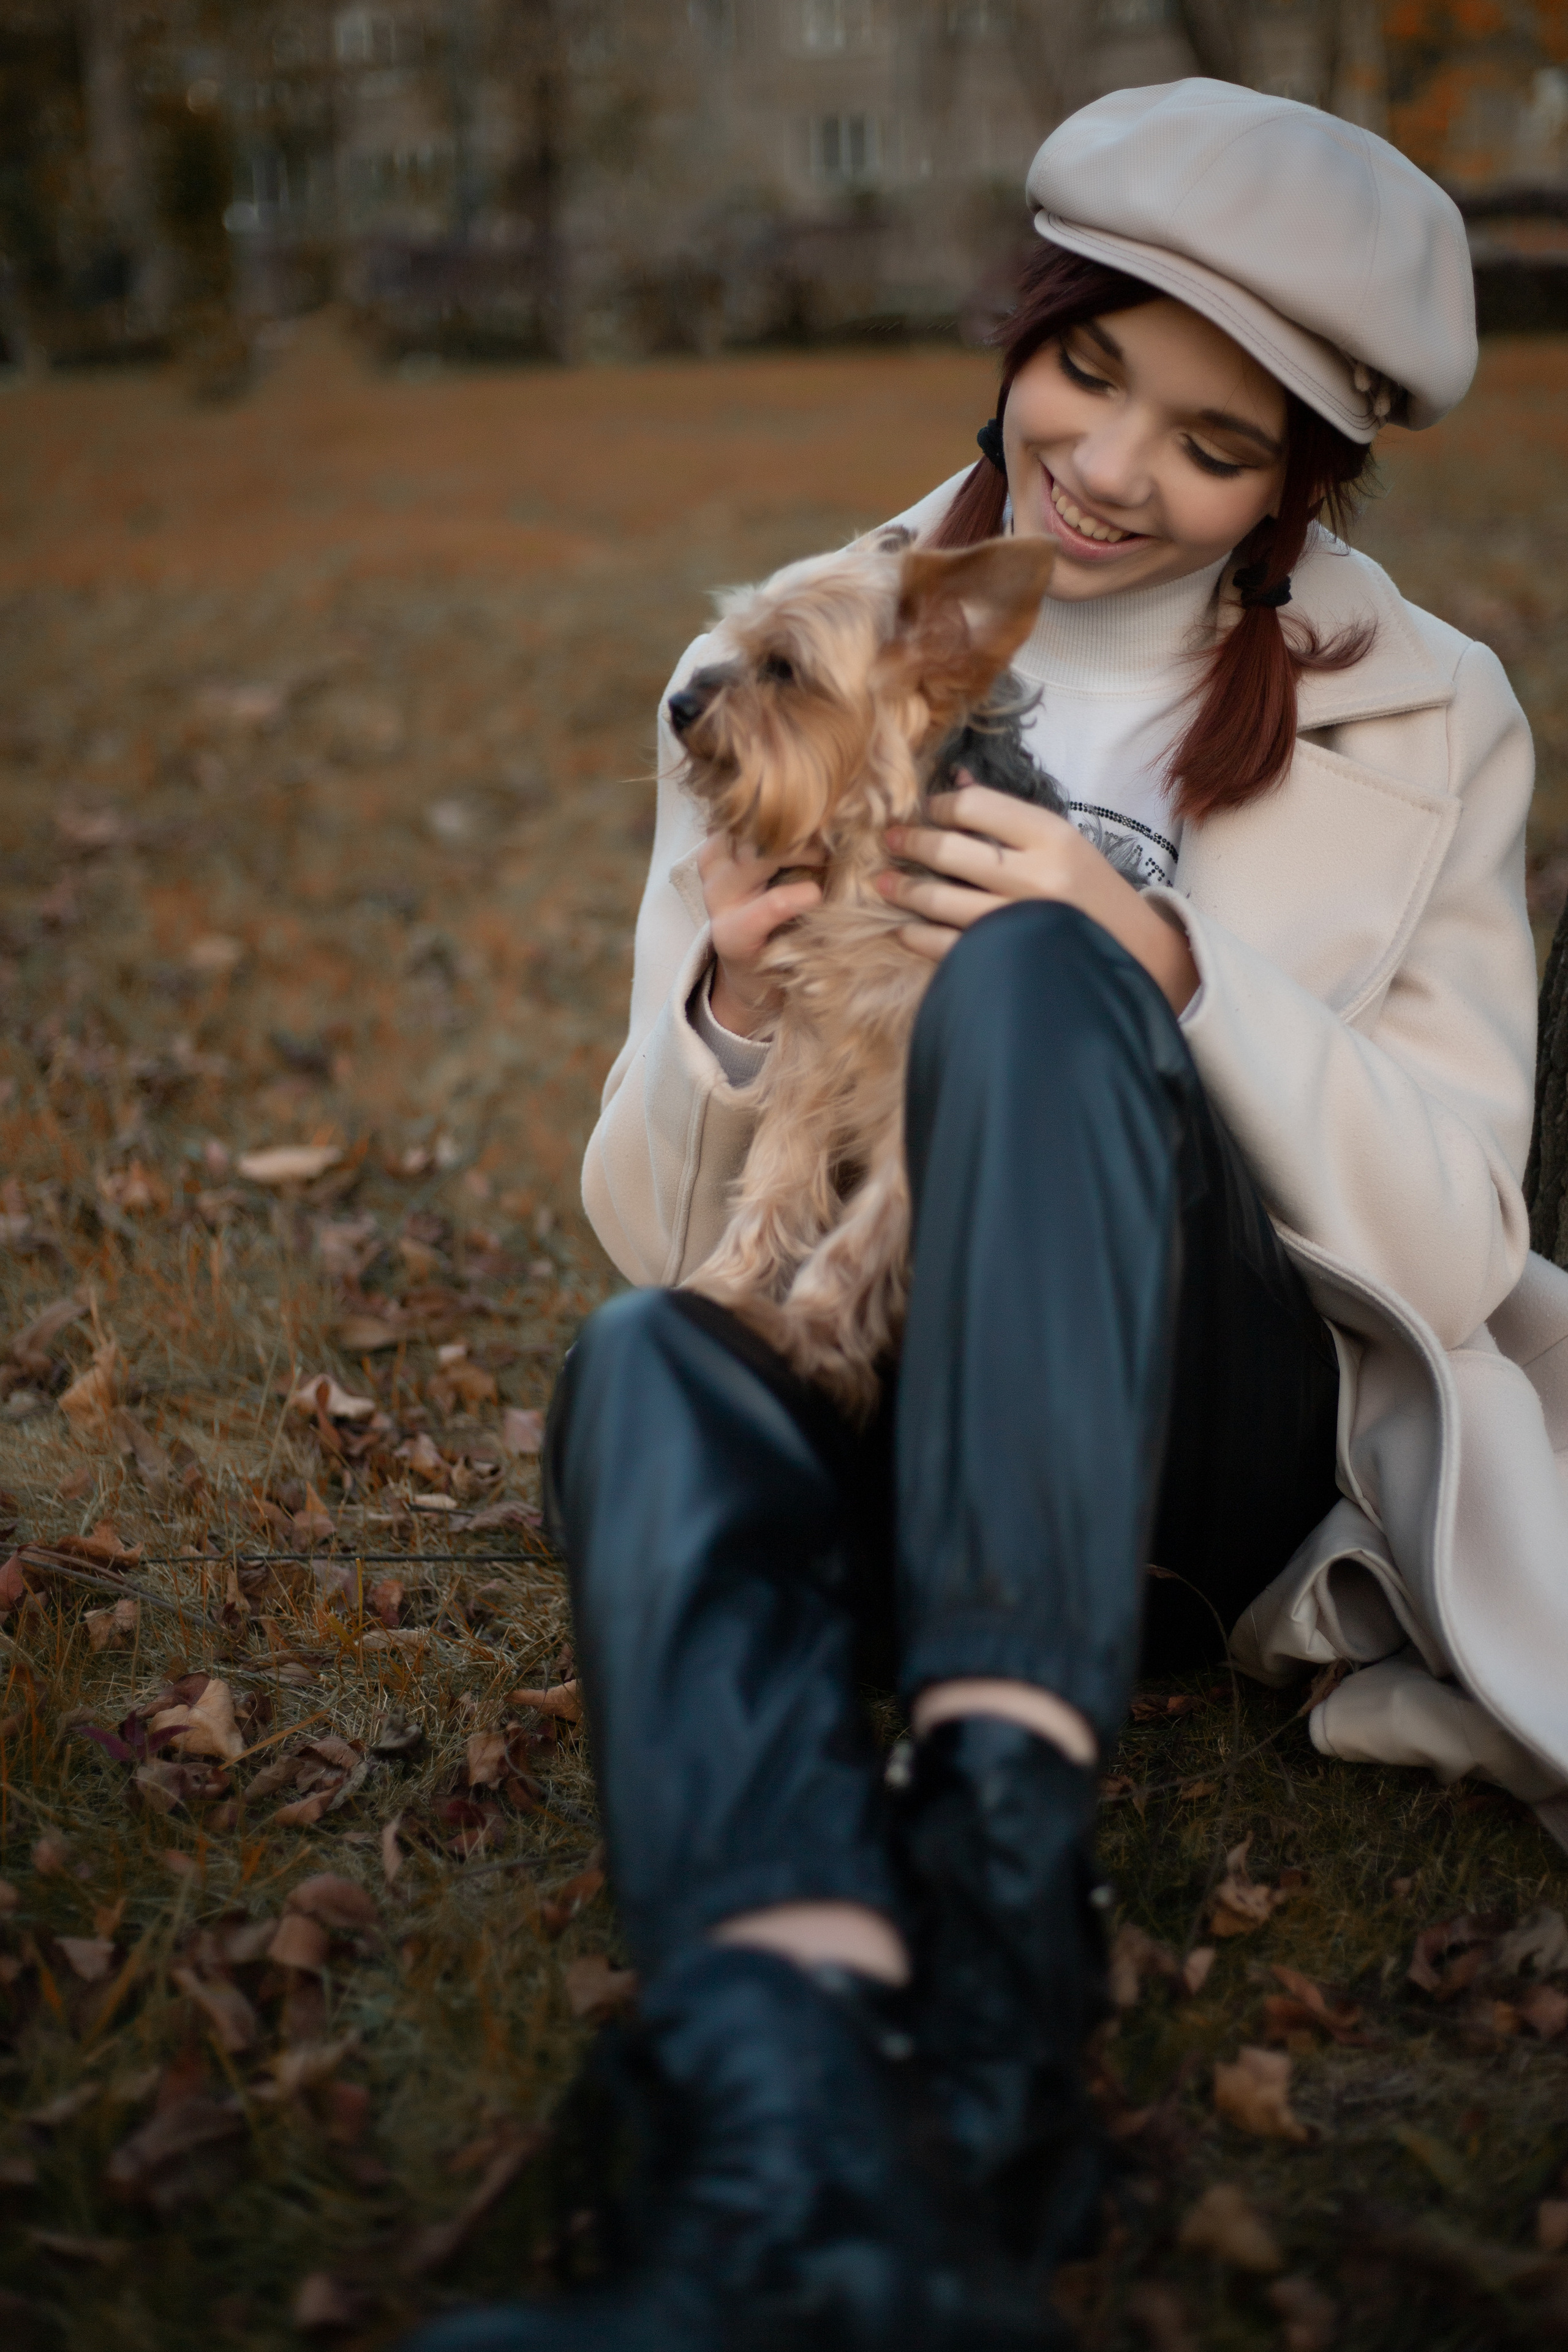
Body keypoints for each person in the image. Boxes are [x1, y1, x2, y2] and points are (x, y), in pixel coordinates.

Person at [407, 79, 1568, 2352]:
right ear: (1022, 334)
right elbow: (655, 1226)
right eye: (1088, 370)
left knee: (1042, 975)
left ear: (1301, 485)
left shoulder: (1433, 715)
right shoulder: (792, 646)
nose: (1110, 469)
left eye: (1212, 445)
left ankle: (1005, 1940)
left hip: (1197, 1459)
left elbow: (1450, 1244)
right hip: (871, 1389)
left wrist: (1171, 968)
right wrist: (729, 1015)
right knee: (641, 1369)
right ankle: (787, 2129)